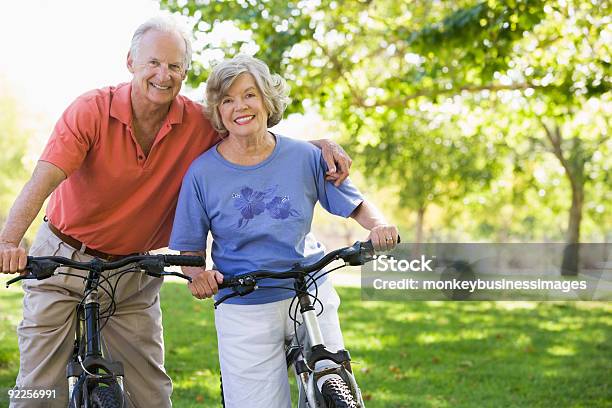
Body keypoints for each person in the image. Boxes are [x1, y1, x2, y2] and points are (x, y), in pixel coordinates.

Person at [0, 17, 352, 408]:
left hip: (134, 270)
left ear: (184, 72)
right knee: (37, 387)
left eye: (174, 66)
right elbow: (43, 179)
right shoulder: (90, 111)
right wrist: (9, 241)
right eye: (153, 63)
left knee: (151, 394)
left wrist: (315, 146)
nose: (163, 75)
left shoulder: (198, 123)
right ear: (131, 62)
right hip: (63, 258)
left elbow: (254, 135)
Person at [169, 55, 399, 407]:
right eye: (227, 100)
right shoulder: (202, 173)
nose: (239, 107)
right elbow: (188, 251)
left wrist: (379, 226)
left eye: (249, 95)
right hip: (243, 301)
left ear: (267, 100)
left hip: (310, 291)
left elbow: (356, 205)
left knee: (337, 385)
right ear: (218, 111)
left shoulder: (305, 156)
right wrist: (197, 275)